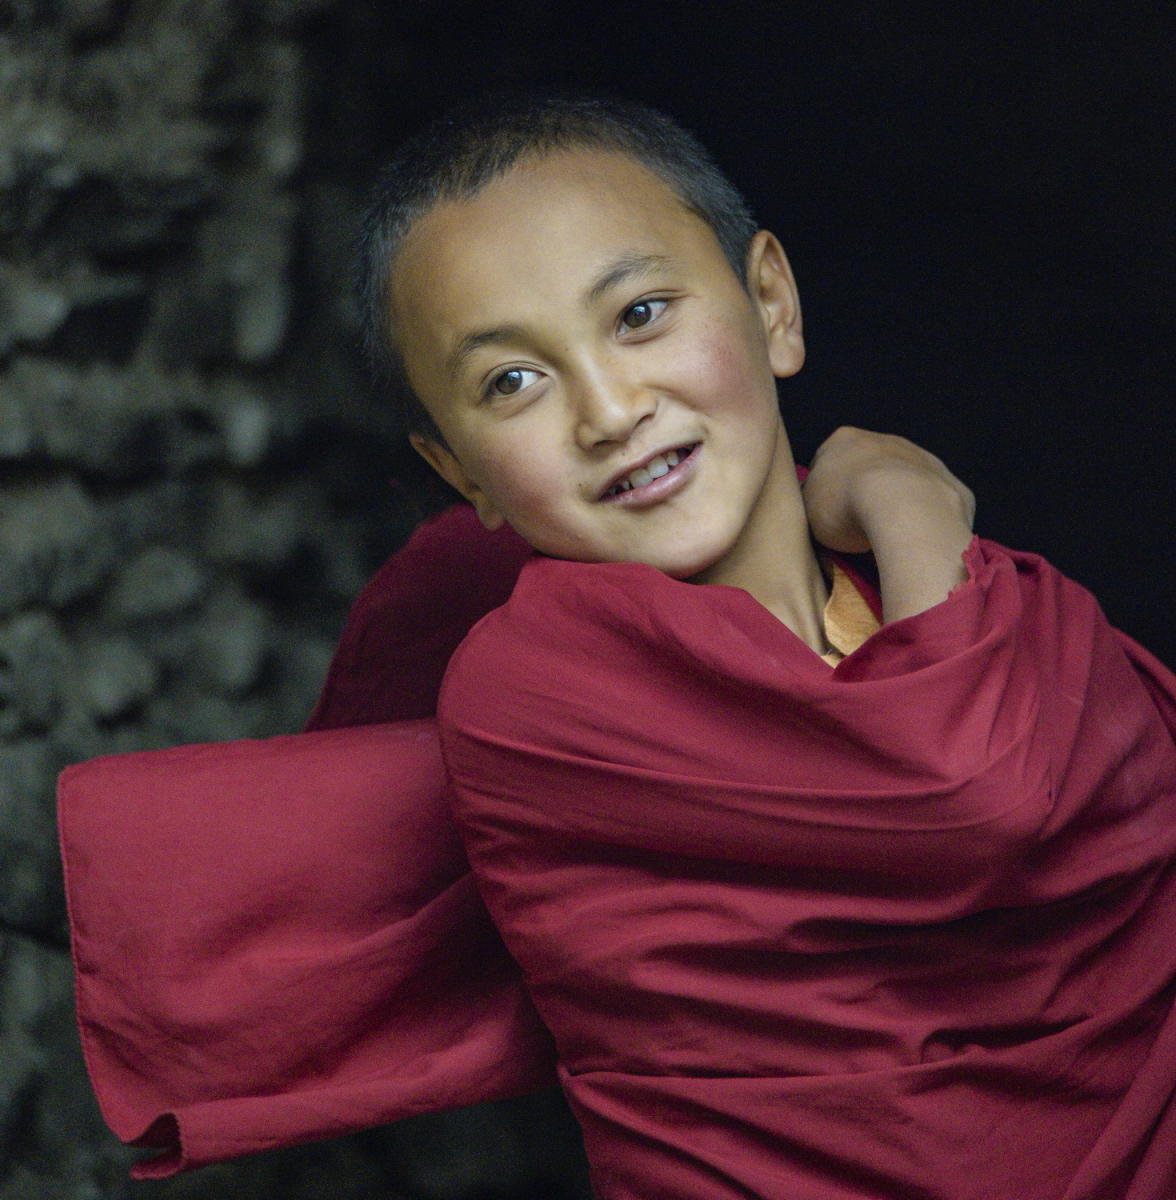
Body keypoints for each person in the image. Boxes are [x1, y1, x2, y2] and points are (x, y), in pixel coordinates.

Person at [60, 93, 1176, 1198]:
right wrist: (911, 490)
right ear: (461, 474)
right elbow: (974, 789)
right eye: (513, 382)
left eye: (639, 314)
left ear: (772, 305)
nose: (607, 408)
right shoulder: (530, 691)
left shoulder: (1026, 615)